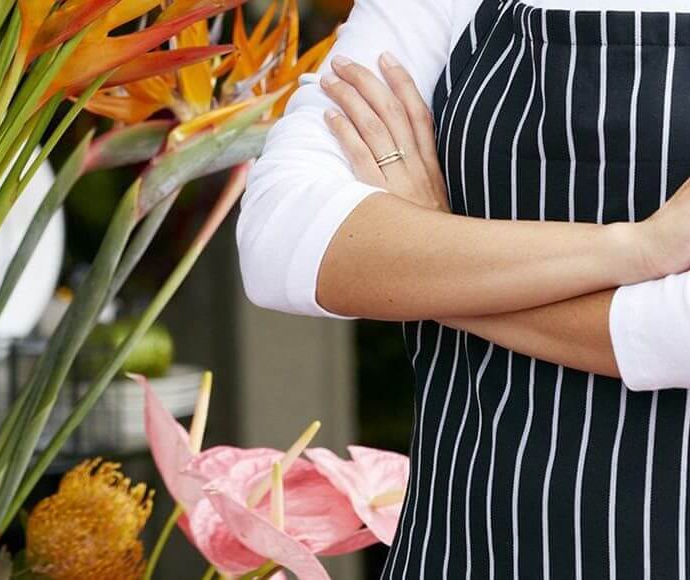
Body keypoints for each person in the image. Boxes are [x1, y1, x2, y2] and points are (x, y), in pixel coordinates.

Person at [238, 0, 690, 577]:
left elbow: (674, 331)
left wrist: (431, 239)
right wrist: (637, 248)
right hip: (462, 545)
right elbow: (280, 240)